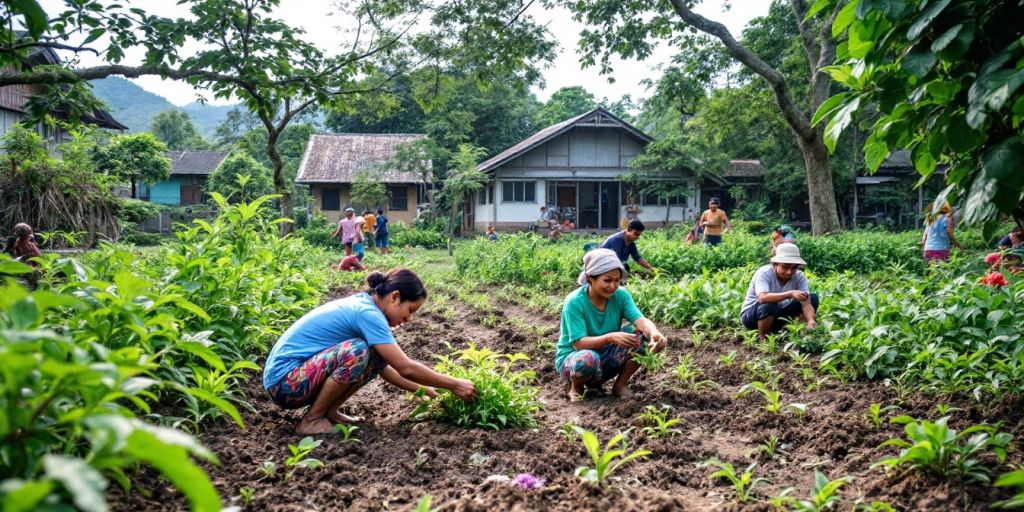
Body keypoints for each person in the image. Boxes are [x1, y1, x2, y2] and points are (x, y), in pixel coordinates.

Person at [263, 269, 478, 434]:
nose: (408, 319)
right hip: (285, 384)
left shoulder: (368, 307)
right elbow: (405, 368)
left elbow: (384, 369)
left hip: (295, 380)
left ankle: (328, 412)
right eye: (410, 310)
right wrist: (454, 384)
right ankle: (311, 420)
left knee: (372, 354)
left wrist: (427, 392)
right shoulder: (368, 313)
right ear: (394, 297)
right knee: (356, 351)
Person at [556, 249, 667, 401]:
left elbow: (640, 320)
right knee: (588, 359)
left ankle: (619, 385)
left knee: (640, 335)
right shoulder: (574, 302)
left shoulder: (620, 295)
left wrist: (654, 332)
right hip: (575, 361)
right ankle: (576, 387)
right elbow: (579, 344)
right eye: (607, 280)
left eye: (617, 280)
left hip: (605, 357)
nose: (613, 286)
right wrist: (610, 337)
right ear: (590, 279)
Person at [740, 244, 819, 340]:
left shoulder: (799, 276)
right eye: (785, 267)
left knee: (812, 297)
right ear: (775, 264)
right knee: (769, 304)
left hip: (777, 315)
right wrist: (789, 294)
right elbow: (762, 298)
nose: (789, 272)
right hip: (752, 316)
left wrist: (810, 320)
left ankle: (801, 331)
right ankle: (763, 337)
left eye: (794, 268)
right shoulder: (764, 272)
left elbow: (806, 303)